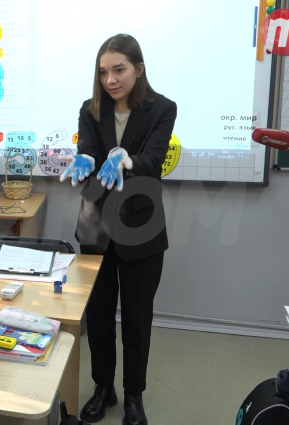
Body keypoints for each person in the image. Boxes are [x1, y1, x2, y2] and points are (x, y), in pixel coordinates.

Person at [59, 34, 177, 425]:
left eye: (119, 70)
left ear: (139, 69)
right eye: (103, 72)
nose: (110, 80)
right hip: (96, 222)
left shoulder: (162, 108)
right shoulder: (90, 108)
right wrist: (85, 158)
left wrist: (128, 160)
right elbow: (89, 151)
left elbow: (153, 160)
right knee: (98, 314)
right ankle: (103, 388)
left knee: (138, 319)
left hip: (141, 224)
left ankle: (133, 396)